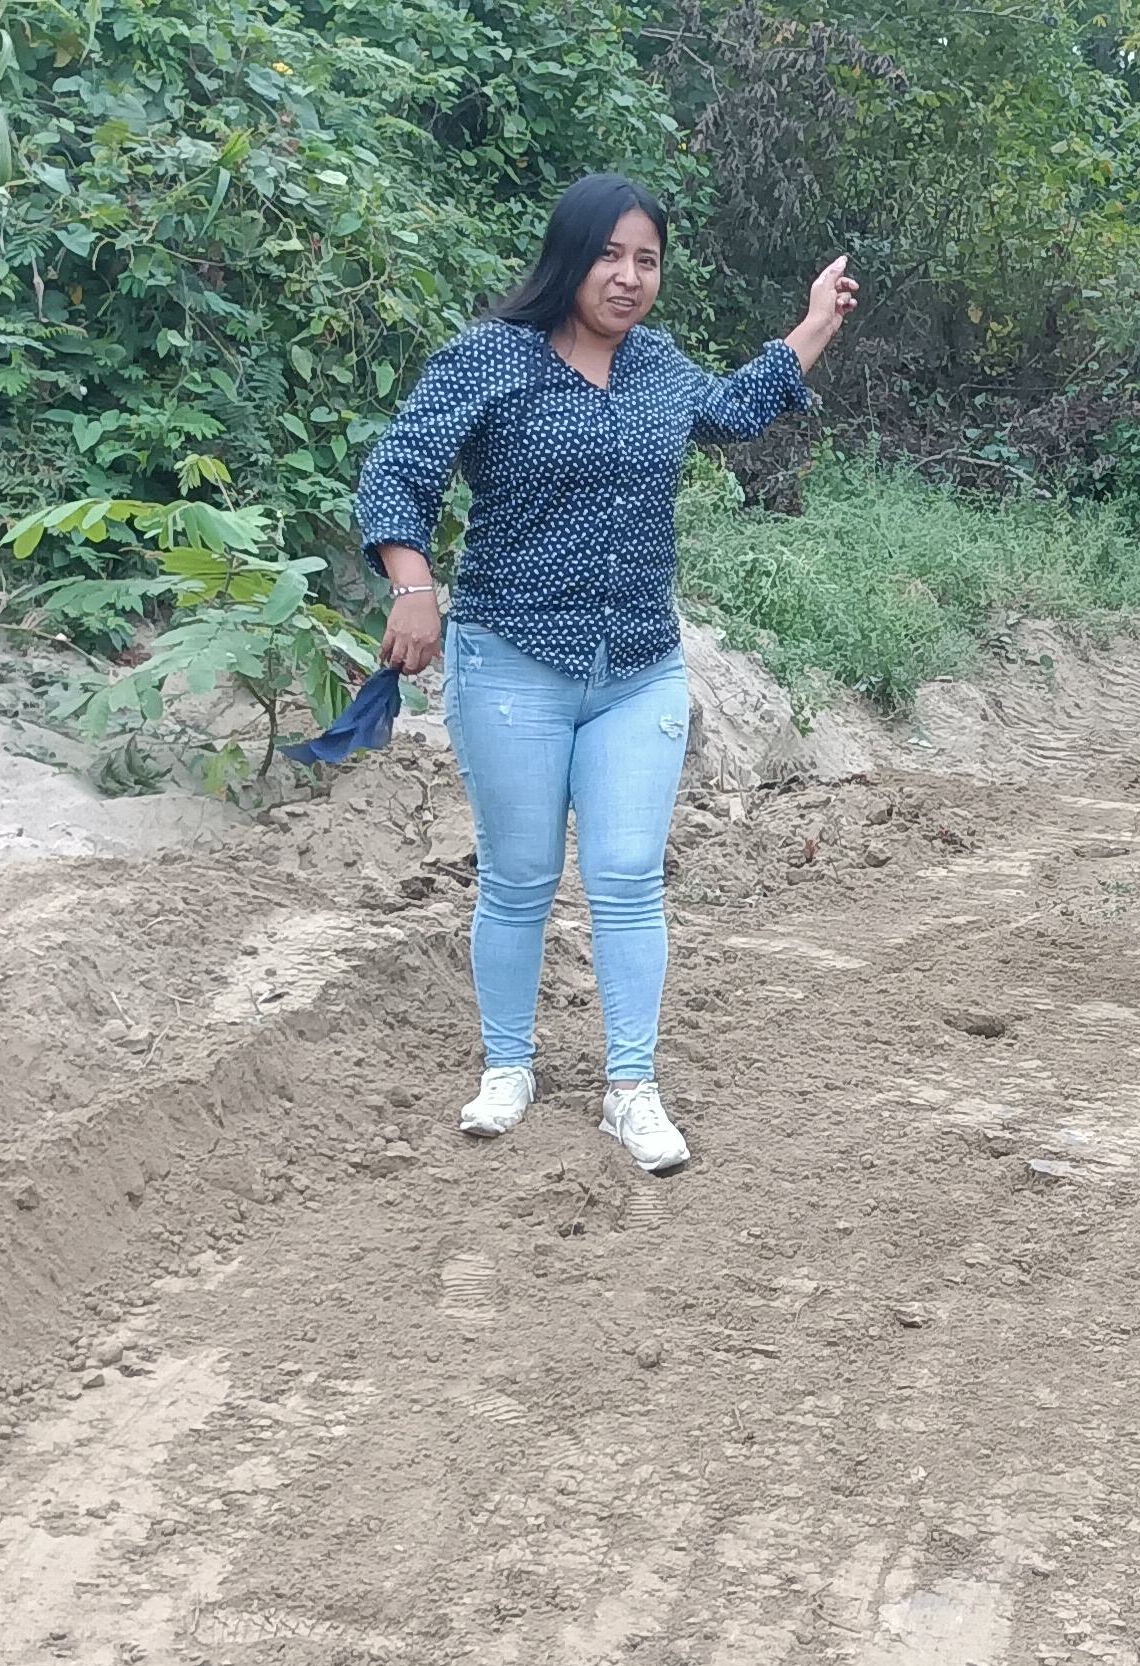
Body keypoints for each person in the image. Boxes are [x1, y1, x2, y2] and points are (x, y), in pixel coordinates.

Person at [355, 174, 855, 1174]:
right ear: (569, 257)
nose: (628, 278)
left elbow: (731, 411)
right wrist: (411, 585)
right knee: (519, 878)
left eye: (647, 260)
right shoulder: (492, 358)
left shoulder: (658, 366)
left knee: (627, 877)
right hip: (511, 661)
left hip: (637, 667)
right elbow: (399, 469)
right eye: (610, 255)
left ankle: (631, 1089)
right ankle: (508, 1067)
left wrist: (813, 326)